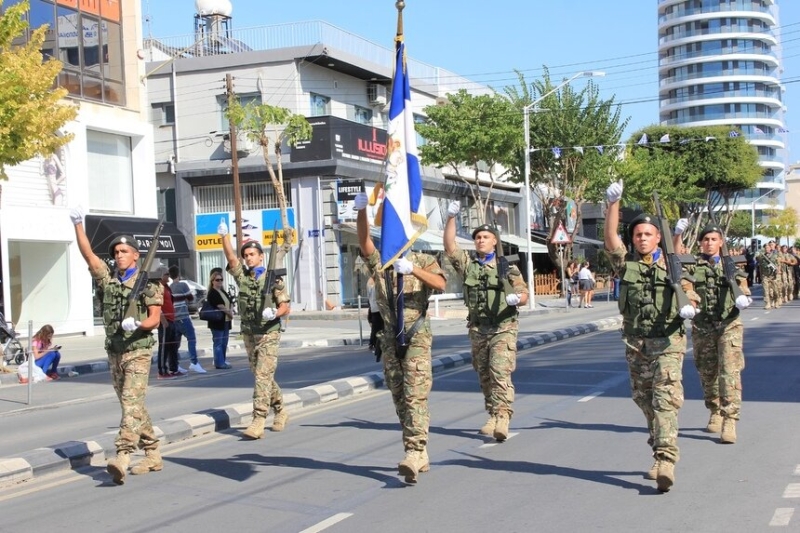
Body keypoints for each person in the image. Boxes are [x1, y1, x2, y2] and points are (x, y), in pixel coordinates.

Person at [603, 180, 699, 493]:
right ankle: (658, 449)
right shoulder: (626, 263)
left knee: (665, 400)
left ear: (659, 238)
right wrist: (613, 205)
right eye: (638, 234)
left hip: (669, 342)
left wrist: (690, 305)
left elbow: (690, 291)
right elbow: (610, 241)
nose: (642, 238)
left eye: (648, 234)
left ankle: (666, 459)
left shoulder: (674, 265)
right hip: (636, 345)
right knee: (644, 400)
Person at [354, 192, 446, 483]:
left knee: (415, 395)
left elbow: (441, 284)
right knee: (399, 397)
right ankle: (419, 449)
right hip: (390, 338)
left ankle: (415, 451)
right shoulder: (382, 263)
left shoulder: (424, 260)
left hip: (416, 336)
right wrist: (361, 213)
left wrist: (413, 270)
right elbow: (364, 242)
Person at [69, 206, 164, 485]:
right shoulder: (108, 281)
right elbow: (88, 255)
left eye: (124, 251)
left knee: (131, 402)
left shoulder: (148, 283)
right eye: (116, 252)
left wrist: (139, 324)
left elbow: (156, 318)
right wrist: (77, 225)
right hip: (115, 352)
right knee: (131, 405)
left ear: (136, 255)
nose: (119, 255)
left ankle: (122, 455)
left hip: (138, 350)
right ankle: (153, 452)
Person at [444, 201, 528, 441]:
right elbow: (450, 247)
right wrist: (451, 218)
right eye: (478, 237)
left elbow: (523, 294)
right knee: (484, 374)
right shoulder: (469, 267)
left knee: (499, 371)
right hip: (478, 328)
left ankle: (503, 416)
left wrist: (516, 299)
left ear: (494, 241)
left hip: (503, 327)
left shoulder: (507, 268)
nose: (481, 240)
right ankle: (492, 413)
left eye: (485, 236)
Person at [674, 220, 751, 444]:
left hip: (729, 324)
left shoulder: (733, 264)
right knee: (707, 372)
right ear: (700, 243)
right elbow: (676, 260)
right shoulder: (692, 265)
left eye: (714, 239)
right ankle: (715, 409)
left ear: (721, 242)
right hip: (703, 325)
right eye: (706, 239)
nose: (709, 243)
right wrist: (678, 233)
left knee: (730, 371)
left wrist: (744, 296)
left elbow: (742, 284)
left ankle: (730, 419)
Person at [217, 222, 291, 438]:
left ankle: (258, 419)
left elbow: (285, 305)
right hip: (250, 333)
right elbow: (231, 260)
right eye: (246, 255)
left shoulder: (273, 278)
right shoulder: (243, 279)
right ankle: (280, 409)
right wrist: (224, 238)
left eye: (252, 254)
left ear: (261, 257)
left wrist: (275, 313)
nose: (249, 258)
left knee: (261, 375)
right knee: (261, 376)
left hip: (269, 333)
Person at [169, 265, 205, 374]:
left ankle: (176, 364)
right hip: (183, 317)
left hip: (174, 318)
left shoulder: (169, 287)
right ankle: (194, 362)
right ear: (178, 274)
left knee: (176, 343)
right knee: (191, 339)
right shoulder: (183, 285)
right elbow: (190, 298)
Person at [205, 270, 234, 369]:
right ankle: (219, 363)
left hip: (226, 321)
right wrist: (229, 313)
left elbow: (229, 302)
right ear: (212, 281)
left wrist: (231, 310)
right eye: (217, 280)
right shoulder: (212, 293)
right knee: (218, 343)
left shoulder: (223, 291)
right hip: (217, 321)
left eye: (221, 280)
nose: (220, 282)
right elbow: (220, 305)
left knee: (224, 343)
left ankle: (223, 361)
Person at [155, 266, 180, 379]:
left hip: (172, 319)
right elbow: (156, 306)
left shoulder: (167, 287)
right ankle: (162, 371)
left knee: (173, 346)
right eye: (166, 274)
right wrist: (163, 320)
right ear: (161, 275)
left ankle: (173, 368)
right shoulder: (157, 288)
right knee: (164, 347)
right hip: (165, 321)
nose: (168, 276)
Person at [366, 274, 384, 354]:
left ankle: (373, 343)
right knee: (378, 327)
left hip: (374, 309)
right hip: (377, 309)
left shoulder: (371, 285)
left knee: (375, 327)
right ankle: (374, 343)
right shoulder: (374, 286)